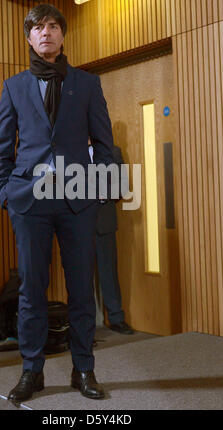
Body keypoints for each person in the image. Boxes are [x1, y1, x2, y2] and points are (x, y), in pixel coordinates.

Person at [0, 4, 114, 404]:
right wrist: (7, 195)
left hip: (78, 201)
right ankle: (32, 372)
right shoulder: (13, 87)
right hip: (30, 203)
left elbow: (105, 148)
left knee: (81, 290)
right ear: (28, 38)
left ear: (62, 36)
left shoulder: (88, 84)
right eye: (37, 27)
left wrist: (97, 193)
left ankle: (84, 369)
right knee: (32, 291)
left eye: (53, 26)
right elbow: (2, 152)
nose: (46, 32)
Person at [89, 142, 134, 334]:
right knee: (79, 276)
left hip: (104, 219)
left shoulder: (112, 151)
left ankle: (116, 318)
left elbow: (122, 187)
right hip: (76, 222)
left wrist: (103, 194)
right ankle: (85, 324)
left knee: (109, 271)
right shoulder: (69, 149)